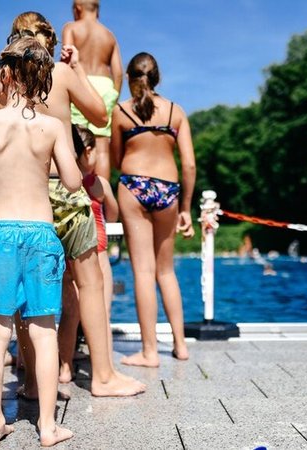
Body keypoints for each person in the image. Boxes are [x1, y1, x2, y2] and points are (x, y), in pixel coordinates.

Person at [0, 12, 144, 398]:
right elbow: (99, 113)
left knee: (26, 290)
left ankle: (29, 380)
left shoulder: (5, 84)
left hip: (22, 195)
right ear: (50, 43)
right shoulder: (58, 73)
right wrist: (74, 69)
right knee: (89, 283)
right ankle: (104, 377)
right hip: (63, 186)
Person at [0, 36, 76, 447]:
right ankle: (47, 427)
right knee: (44, 332)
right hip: (41, 234)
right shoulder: (52, 127)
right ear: (43, 79)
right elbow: (73, 179)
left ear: (4, 74)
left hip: (0, 232)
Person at [111, 52, 196, 367]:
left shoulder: (120, 113)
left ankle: (149, 352)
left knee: (143, 272)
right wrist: (185, 206)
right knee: (166, 271)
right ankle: (181, 345)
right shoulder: (176, 112)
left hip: (134, 186)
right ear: (157, 78)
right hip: (168, 189)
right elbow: (188, 164)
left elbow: (116, 159)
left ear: (130, 79)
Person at [58, 126, 118, 382]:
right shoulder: (97, 183)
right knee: (101, 311)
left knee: (70, 312)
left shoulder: (61, 181)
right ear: (90, 151)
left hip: (66, 248)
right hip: (96, 249)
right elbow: (113, 213)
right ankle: (105, 368)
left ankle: (65, 367)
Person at [62, 0, 123, 179]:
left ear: (78, 8)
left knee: (75, 138)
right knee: (102, 148)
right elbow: (118, 73)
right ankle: (100, 199)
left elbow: (67, 62)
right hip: (105, 87)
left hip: (81, 83)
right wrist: (112, 98)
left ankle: (74, 190)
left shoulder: (71, 28)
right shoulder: (109, 35)